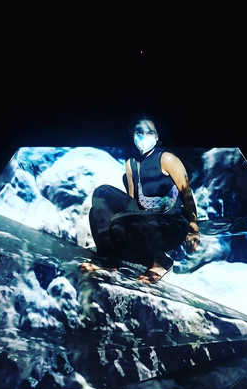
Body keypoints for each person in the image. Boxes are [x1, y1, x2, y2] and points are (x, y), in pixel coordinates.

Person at [79, 115, 200, 284]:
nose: (144, 137)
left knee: (118, 217)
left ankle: (161, 262)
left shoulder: (167, 159)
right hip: (145, 222)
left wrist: (193, 227)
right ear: (133, 135)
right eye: (139, 132)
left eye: (150, 133)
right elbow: (131, 203)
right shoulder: (131, 164)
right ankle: (108, 258)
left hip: (171, 224)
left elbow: (187, 194)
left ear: (157, 136)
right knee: (100, 198)